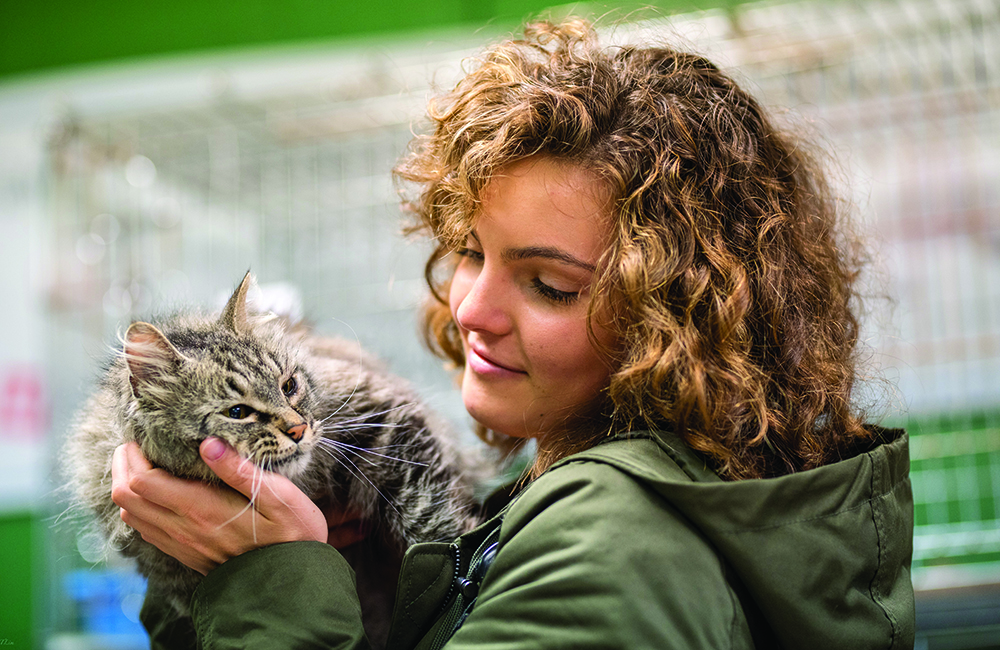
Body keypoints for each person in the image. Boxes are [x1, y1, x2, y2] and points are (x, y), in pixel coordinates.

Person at [111, 19, 915, 649]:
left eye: (550, 285)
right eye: (468, 250)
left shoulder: (610, 551)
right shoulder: (562, 497)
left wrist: (272, 576)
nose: (470, 309)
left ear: (681, 319)